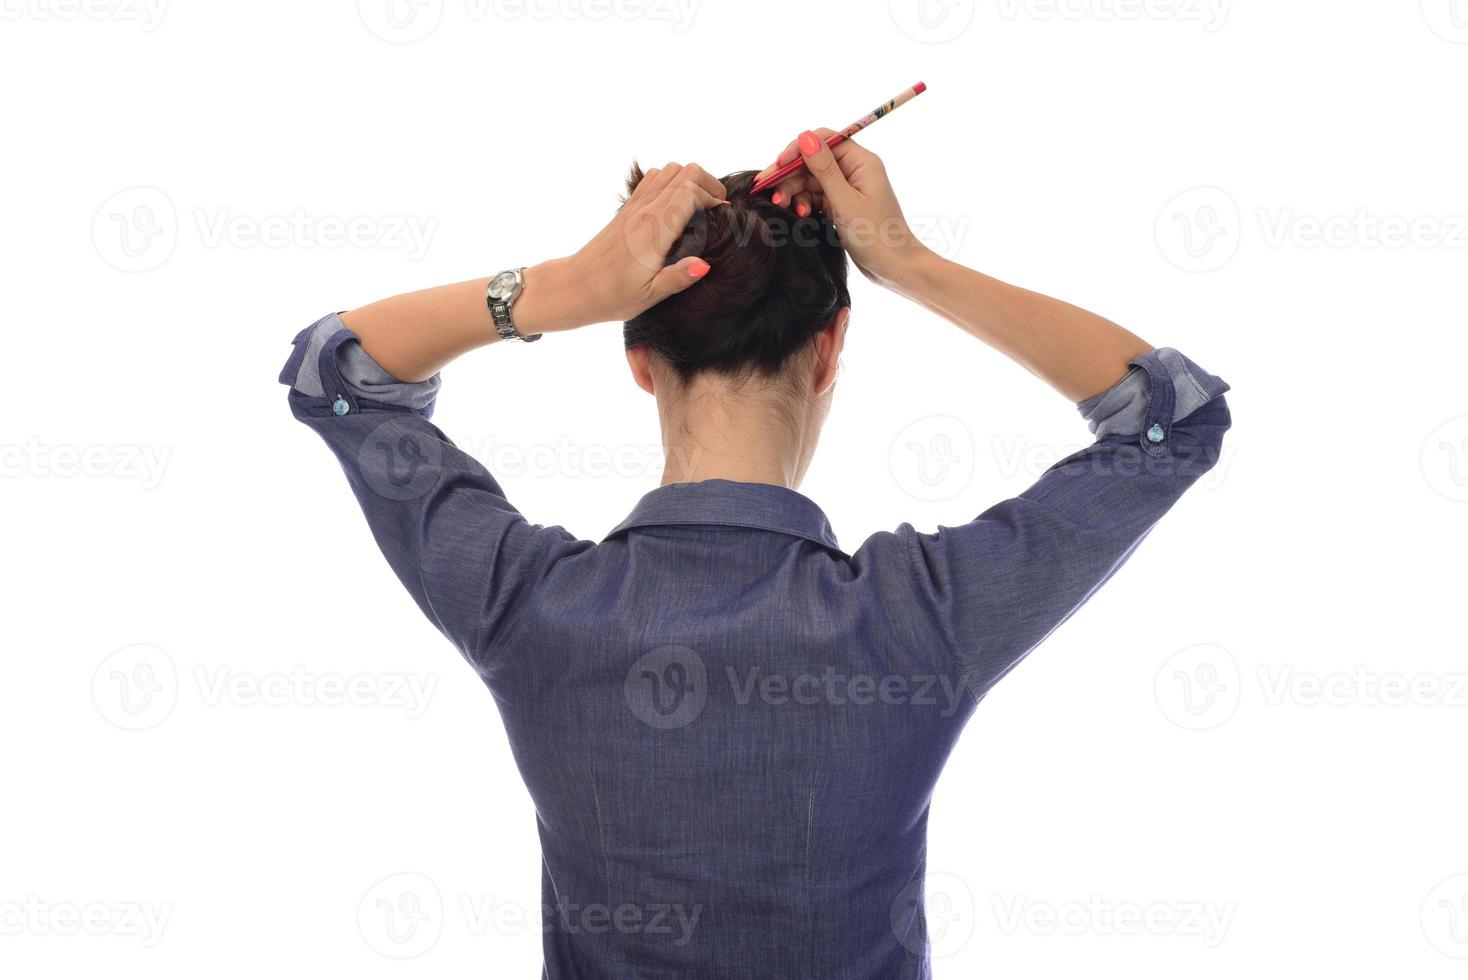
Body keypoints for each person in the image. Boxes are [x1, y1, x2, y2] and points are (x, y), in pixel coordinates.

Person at [279, 127, 1231, 978]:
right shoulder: (920, 619)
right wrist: (909, 263)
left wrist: (559, 291)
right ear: (830, 351)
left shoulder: (526, 608)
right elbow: (1172, 419)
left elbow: (340, 379)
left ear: (638, 358)